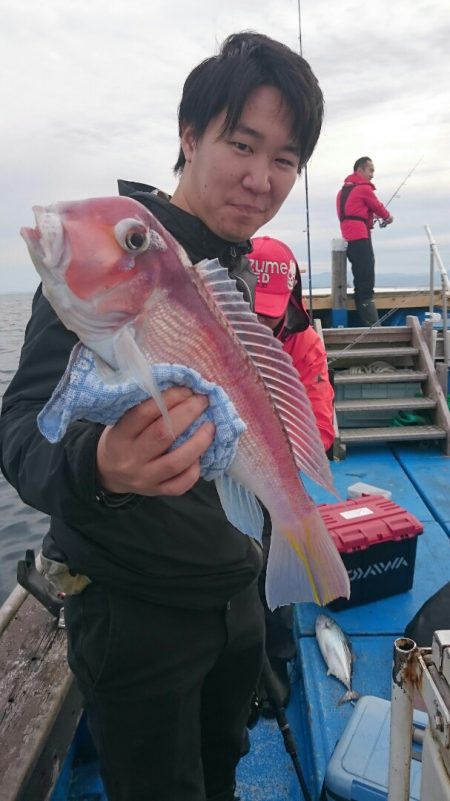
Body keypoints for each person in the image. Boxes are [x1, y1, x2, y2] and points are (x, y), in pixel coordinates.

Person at [0, 32, 324, 801]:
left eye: (284, 159)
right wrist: (101, 468)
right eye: (241, 143)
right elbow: (20, 433)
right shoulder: (118, 269)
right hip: (136, 612)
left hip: (233, 596)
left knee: (222, 771)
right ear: (190, 135)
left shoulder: (236, 270)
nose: (260, 178)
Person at [248, 235, 335, 715]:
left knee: (269, 573)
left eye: (272, 309)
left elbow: (320, 427)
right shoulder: (213, 327)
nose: (262, 320)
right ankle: (237, 669)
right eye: (252, 307)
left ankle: (276, 665)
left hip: (273, 474)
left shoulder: (303, 341)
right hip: (218, 473)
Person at [336, 156, 394, 326]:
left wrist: (369, 216)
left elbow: (353, 210)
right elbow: (378, 206)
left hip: (349, 236)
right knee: (366, 278)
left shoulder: (343, 192)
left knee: (360, 277)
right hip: (360, 236)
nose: (372, 175)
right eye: (371, 170)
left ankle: (367, 321)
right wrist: (388, 218)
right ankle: (372, 324)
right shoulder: (363, 189)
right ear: (360, 170)